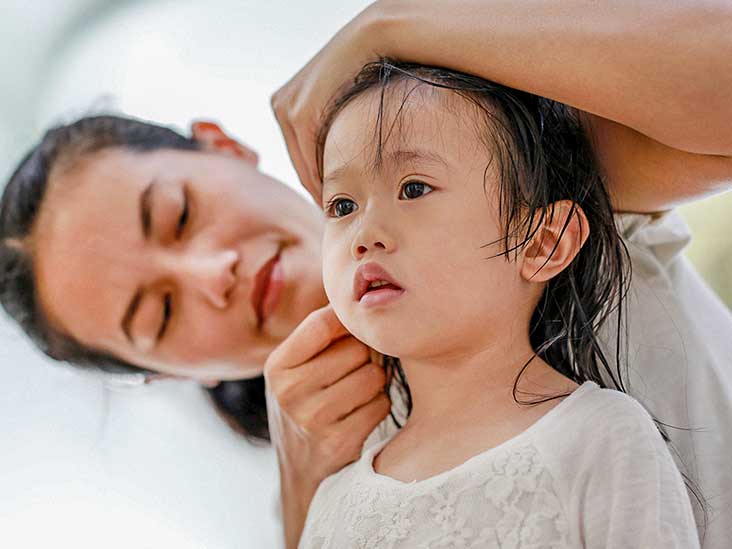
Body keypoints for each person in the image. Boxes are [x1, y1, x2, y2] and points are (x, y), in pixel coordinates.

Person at [0, 1, 729, 547]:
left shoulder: (494, 177)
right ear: (166, 376)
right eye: (161, 314)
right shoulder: (310, 501)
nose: (212, 273)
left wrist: (387, 27)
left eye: (180, 214)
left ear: (222, 147)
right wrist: (306, 499)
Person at [297, 58, 698, 547]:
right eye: (342, 206)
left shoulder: (600, 437)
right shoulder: (333, 504)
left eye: (413, 188)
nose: (365, 235)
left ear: (543, 243)